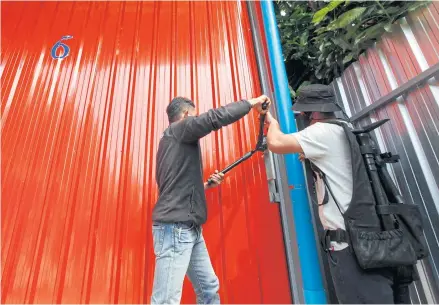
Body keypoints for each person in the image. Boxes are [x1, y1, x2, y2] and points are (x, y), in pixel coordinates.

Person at [265, 84, 404, 304]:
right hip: (372, 241)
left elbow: (276, 143)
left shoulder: (321, 132)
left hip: (350, 248)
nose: (303, 117)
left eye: (304, 113)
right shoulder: (345, 128)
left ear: (314, 112)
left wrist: (271, 123)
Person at [151, 95, 271, 304]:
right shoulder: (178, 130)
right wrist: (252, 103)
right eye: (194, 116)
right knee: (165, 300)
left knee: (208, 288)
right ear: (186, 115)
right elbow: (214, 118)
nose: (195, 121)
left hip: (189, 229)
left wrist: (205, 186)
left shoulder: (169, 143)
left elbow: (172, 188)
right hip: (175, 230)